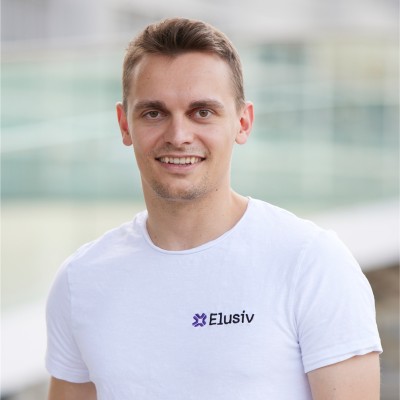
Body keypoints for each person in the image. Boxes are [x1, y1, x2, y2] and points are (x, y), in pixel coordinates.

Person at [45, 17, 382, 400]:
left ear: (243, 122)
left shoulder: (311, 262)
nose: (178, 136)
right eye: (154, 113)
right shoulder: (80, 280)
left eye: (202, 112)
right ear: (124, 125)